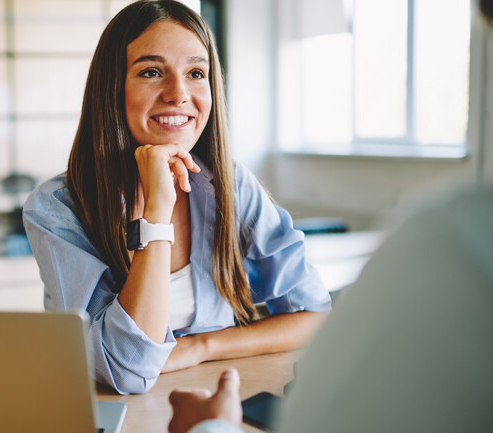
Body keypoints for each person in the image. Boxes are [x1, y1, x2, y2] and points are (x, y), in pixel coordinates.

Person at [23, 0, 330, 395]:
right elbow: (126, 371)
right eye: (152, 72)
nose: (179, 94)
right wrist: (156, 211)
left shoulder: (230, 186)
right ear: (112, 88)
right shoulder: (57, 207)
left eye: (196, 73)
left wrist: (200, 347)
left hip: (209, 400)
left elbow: (313, 314)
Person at [167, 186, 493, 433]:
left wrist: (211, 425)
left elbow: (311, 315)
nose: (178, 94)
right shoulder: (454, 236)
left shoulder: (449, 238)